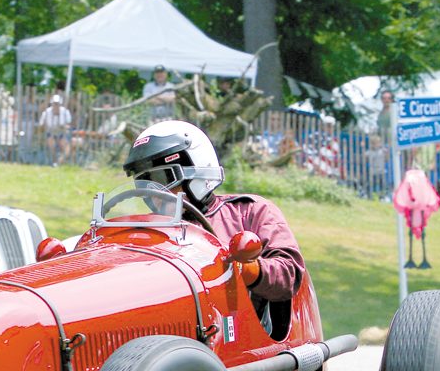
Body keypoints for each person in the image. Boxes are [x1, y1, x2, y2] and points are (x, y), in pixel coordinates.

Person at [122, 120, 305, 327]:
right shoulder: (145, 231)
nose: (154, 193)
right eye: (144, 183)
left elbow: (290, 276)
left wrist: (245, 269)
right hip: (166, 332)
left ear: (196, 168)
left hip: (235, 338)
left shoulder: (250, 211)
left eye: (162, 178)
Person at [38, 93, 72, 166]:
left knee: (66, 147)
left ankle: (60, 161)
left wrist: (63, 127)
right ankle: (54, 162)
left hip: (62, 134)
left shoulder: (65, 112)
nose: (56, 106)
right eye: (54, 104)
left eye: (57, 104)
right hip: (50, 133)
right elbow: (41, 126)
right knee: (51, 144)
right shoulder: (46, 113)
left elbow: (69, 125)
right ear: (51, 104)